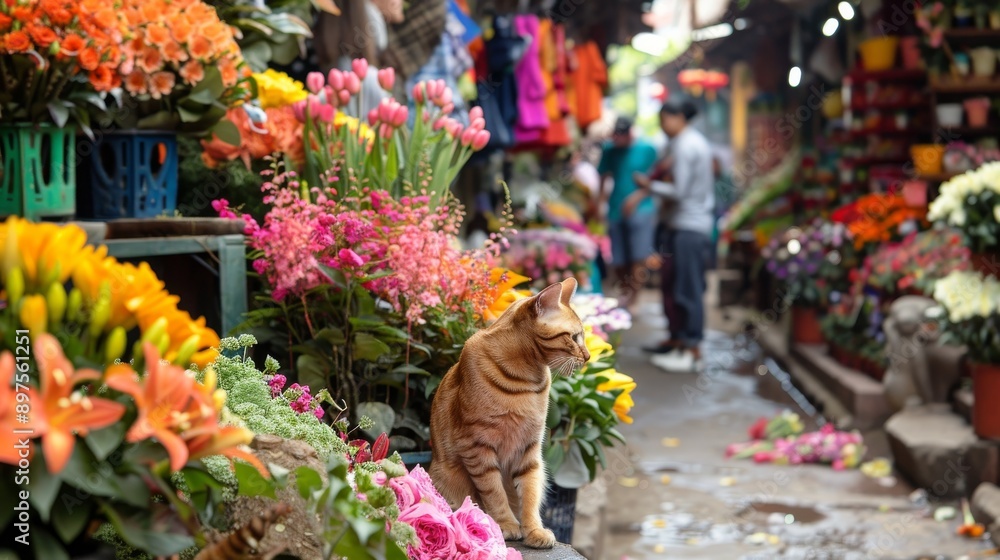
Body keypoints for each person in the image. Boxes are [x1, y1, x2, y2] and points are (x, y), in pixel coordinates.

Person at [626, 98, 714, 371]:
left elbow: (681, 192)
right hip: (679, 226)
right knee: (675, 286)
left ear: (678, 118)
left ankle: (692, 349)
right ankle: (678, 342)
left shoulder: (688, 145)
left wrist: (648, 185)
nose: (663, 126)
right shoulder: (681, 143)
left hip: (690, 227)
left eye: (665, 119)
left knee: (687, 288)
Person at [596, 117, 659, 308]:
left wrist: (637, 197)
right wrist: (599, 204)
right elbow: (603, 177)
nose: (618, 139)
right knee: (618, 258)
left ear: (630, 132)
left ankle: (634, 299)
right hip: (616, 210)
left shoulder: (648, 149)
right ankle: (625, 293)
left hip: (642, 209)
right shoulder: (610, 150)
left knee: (638, 257)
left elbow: (657, 180)